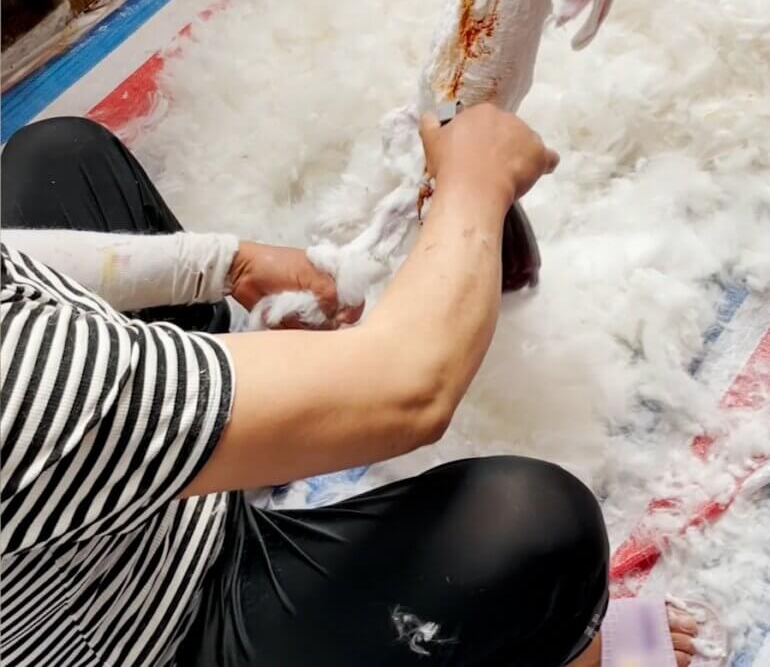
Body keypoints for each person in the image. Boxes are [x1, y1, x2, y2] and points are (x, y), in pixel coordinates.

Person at [0, 108, 700, 667]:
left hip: (99, 516)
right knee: (535, 524)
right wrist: (477, 184)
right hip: (153, 627)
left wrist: (225, 263)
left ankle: (223, 429)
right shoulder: (25, 378)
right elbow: (409, 390)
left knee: (61, 158)